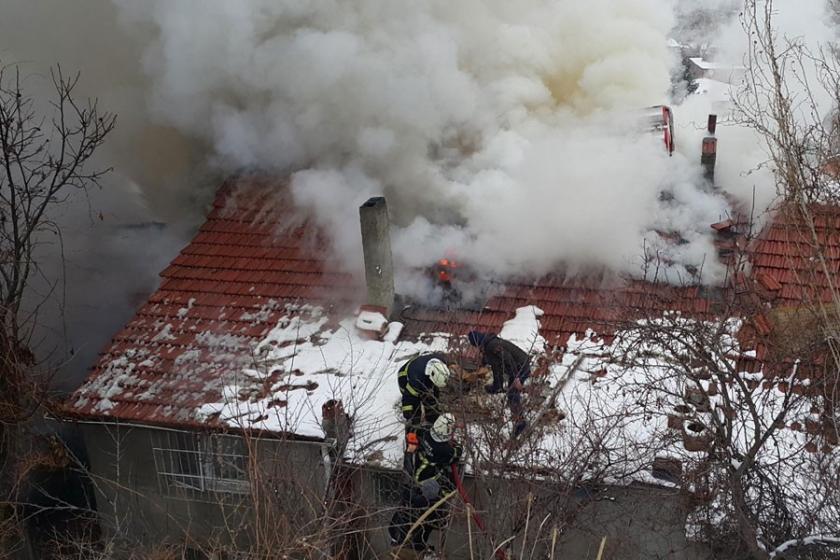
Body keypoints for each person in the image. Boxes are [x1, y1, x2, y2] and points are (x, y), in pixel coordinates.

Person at [389, 414, 462, 556]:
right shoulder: (445, 450)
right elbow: (457, 453)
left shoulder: (426, 433)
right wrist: (457, 445)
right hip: (427, 483)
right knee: (428, 517)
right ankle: (437, 522)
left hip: (417, 477)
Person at [467, 331, 531, 436]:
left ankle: (520, 422)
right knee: (500, 375)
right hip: (517, 366)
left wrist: (516, 378)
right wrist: (496, 386)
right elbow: (496, 366)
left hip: (521, 366)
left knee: (512, 394)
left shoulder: (493, 346)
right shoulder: (489, 344)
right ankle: (498, 388)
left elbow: (508, 360)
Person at [397, 352, 451, 452]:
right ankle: (411, 443)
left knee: (432, 403)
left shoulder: (441, 364)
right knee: (414, 413)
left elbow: (433, 391)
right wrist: (409, 415)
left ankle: (433, 426)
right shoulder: (416, 380)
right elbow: (408, 399)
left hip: (424, 376)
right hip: (405, 378)